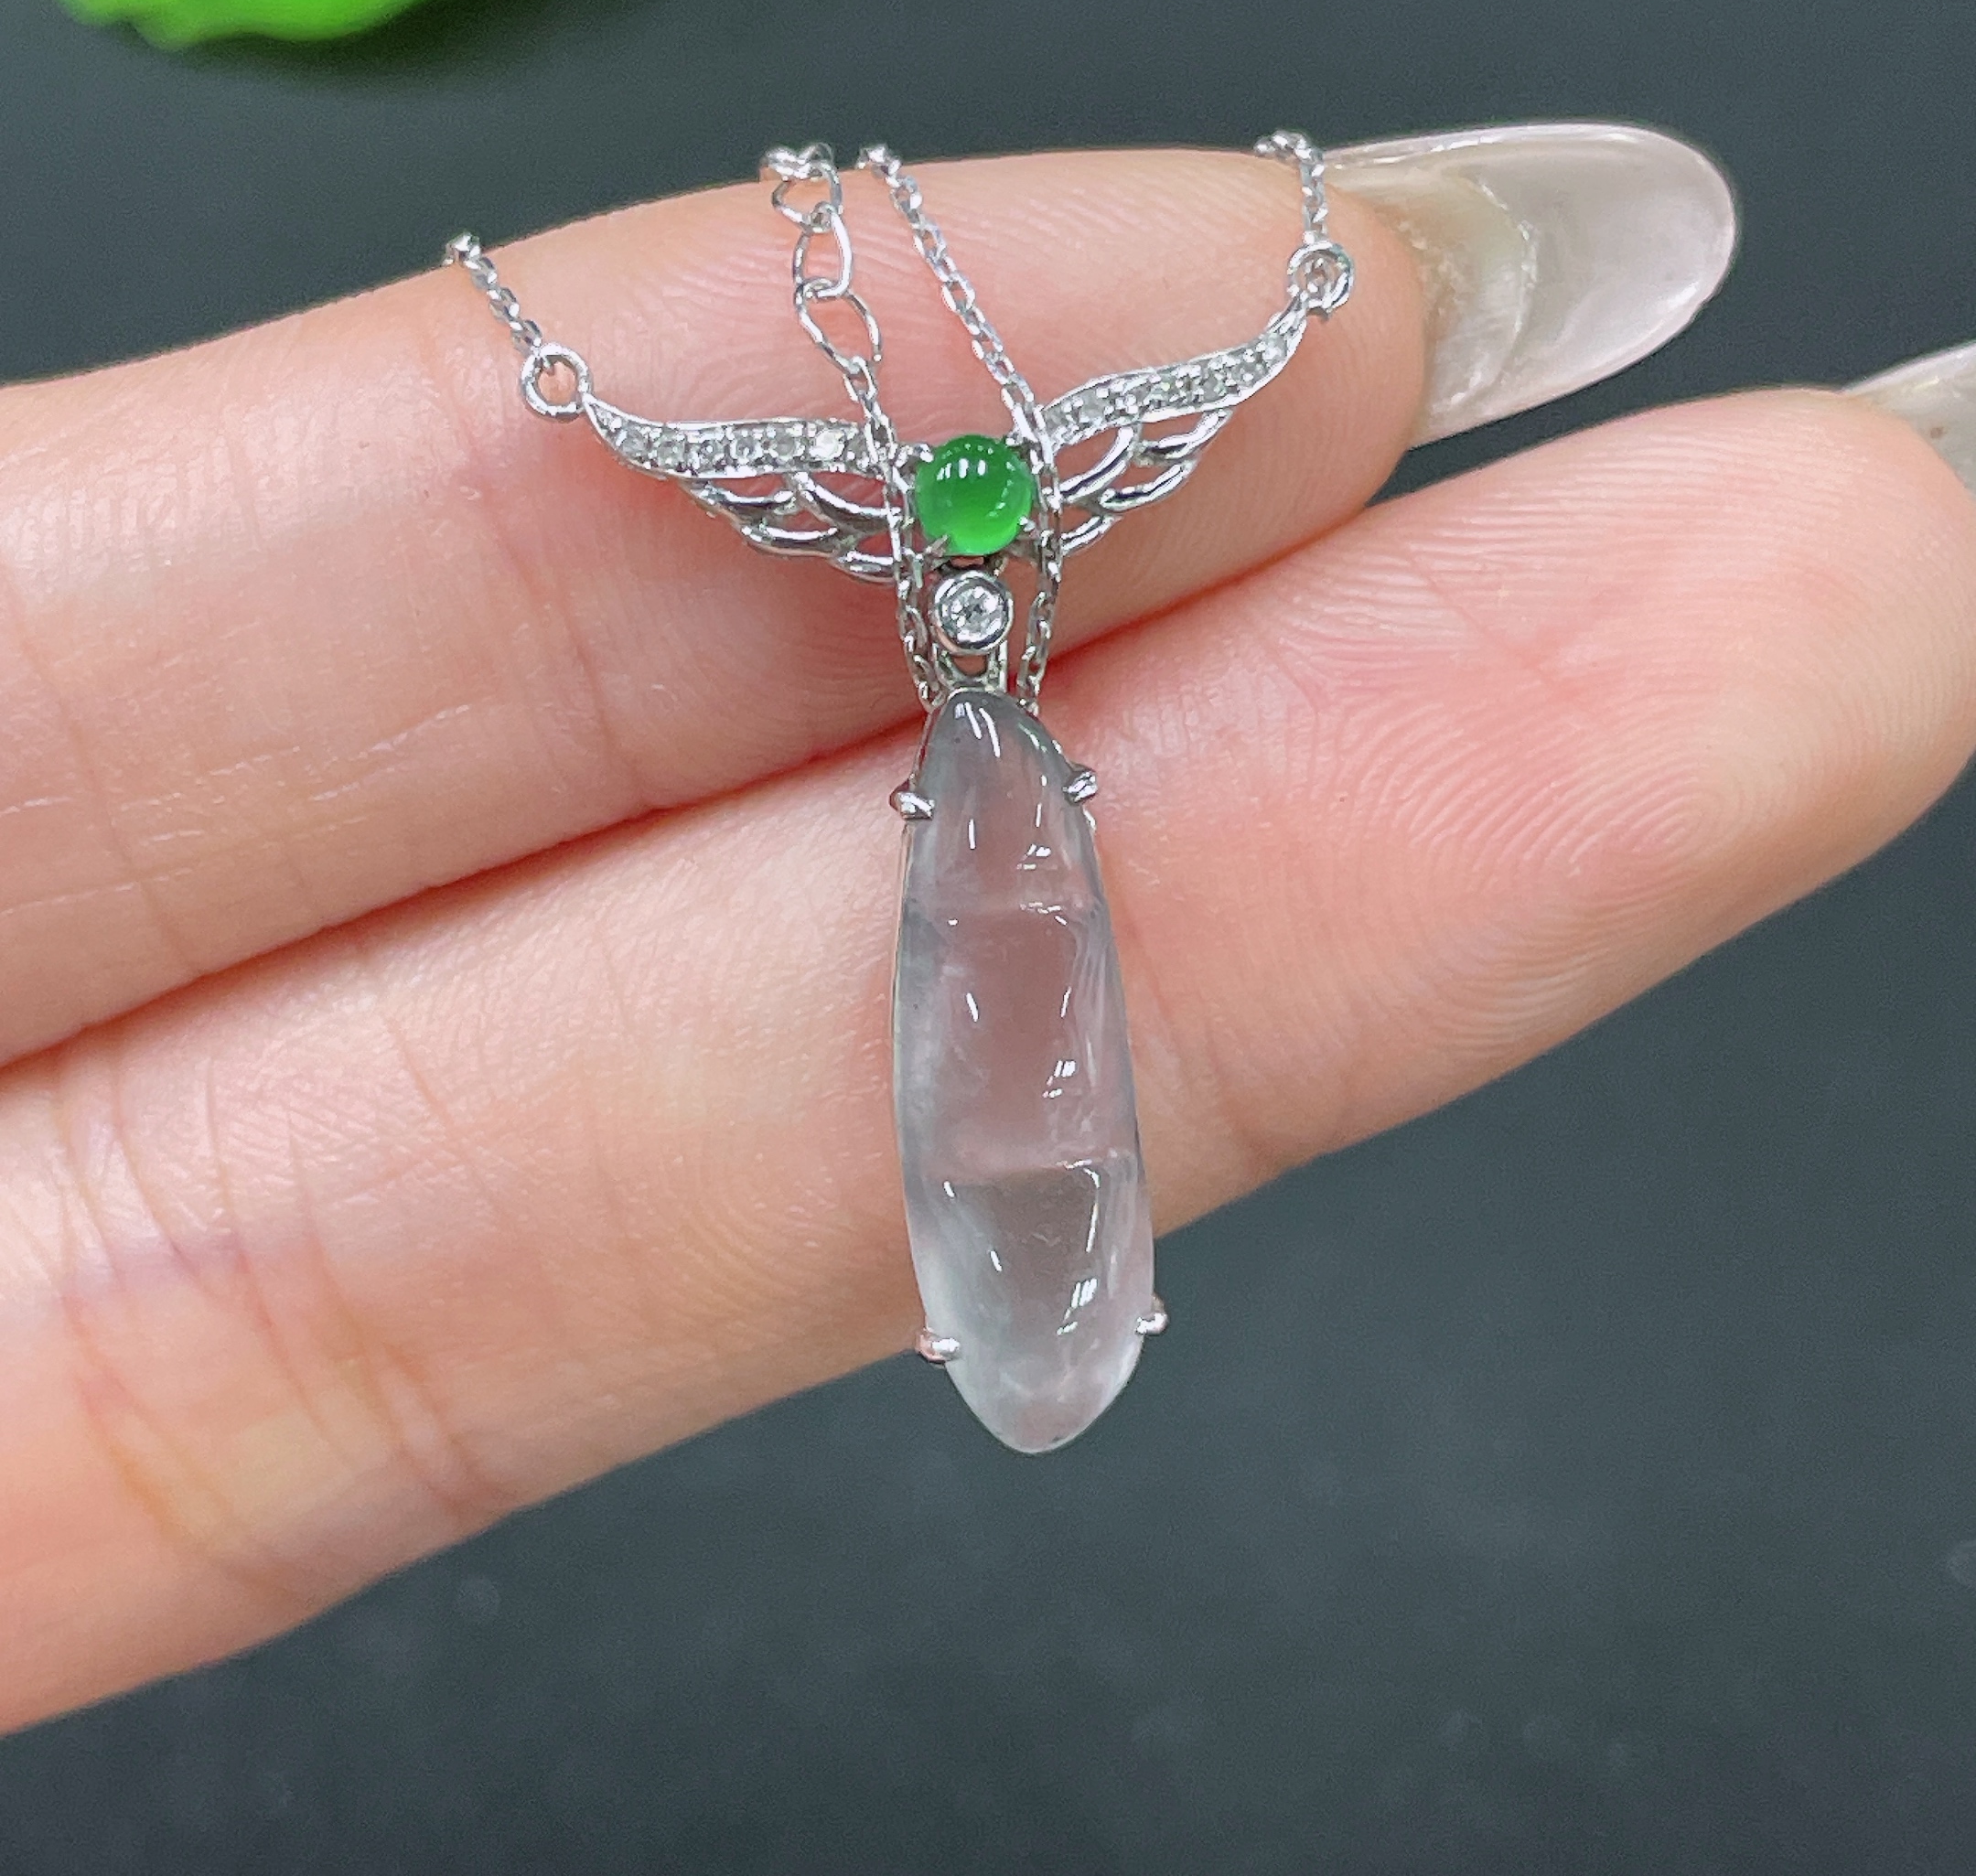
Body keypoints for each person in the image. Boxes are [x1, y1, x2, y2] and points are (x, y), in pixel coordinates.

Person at [2, 127, 1971, 1734]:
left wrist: (1310, 282)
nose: (967, 541)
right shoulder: (976, 546)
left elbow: (1175, 376)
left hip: (1003, 771)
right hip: (991, 778)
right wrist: (1300, 275)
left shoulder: (995, 550)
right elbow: (684, 447)